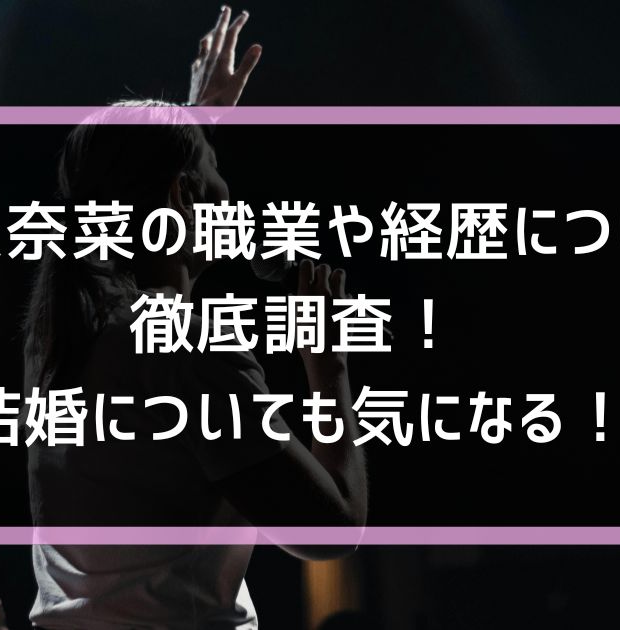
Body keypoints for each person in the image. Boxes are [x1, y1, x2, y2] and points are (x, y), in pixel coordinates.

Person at [19, 6, 368, 629]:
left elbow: (131, 183)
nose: (231, 198)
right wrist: (329, 362)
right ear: (182, 193)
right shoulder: (187, 344)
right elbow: (329, 529)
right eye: (216, 175)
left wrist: (191, 125)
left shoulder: (61, 335)